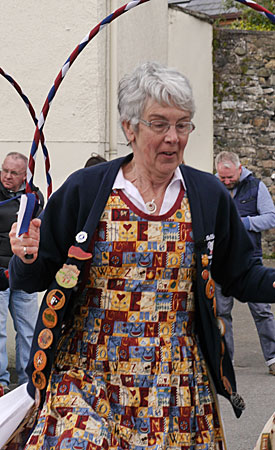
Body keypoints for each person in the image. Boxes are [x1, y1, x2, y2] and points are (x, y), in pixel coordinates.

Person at [6, 62, 275, 449]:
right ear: (129, 128)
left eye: (182, 125)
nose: (173, 137)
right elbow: (35, 275)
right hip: (87, 375)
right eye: (160, 124)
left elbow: (240, 275)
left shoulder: (207, 195)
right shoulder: (86, 189)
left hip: (176, 387)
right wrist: (26, 256)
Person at [215, 151, 275, 375]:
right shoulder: (214, 187)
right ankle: (225, 362)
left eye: (230, 177)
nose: (227, 182)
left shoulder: (256, 186)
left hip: (250, 260)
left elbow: (271, 217)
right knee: (222, 314)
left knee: (262, 311)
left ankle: (273, 358)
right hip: (221, 262)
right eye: (223, 178)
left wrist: (242, 223)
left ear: (240, 170)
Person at [0, 152, 44, 396]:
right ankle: (1, 383)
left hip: (24, 270)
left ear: (24, 175)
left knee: (29, 329)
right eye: (4, 170)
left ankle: (29, 383)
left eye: (13, 173)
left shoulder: (34, 197)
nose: (7, 176)